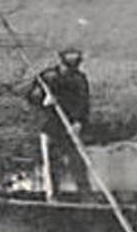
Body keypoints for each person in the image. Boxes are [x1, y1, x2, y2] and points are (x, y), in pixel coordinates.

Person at [27, 46, 92, 199]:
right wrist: (44, 100)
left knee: (78, 164)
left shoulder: (80, 80)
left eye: (76, 59)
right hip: (50, 127)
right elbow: (32, 96)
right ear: (62, 60)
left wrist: (79, 123)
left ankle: (86, 198)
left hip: (71, 129)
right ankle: (52, 198)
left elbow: (85, 105)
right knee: (51, 165)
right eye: (69, 59)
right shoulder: (48, 77)